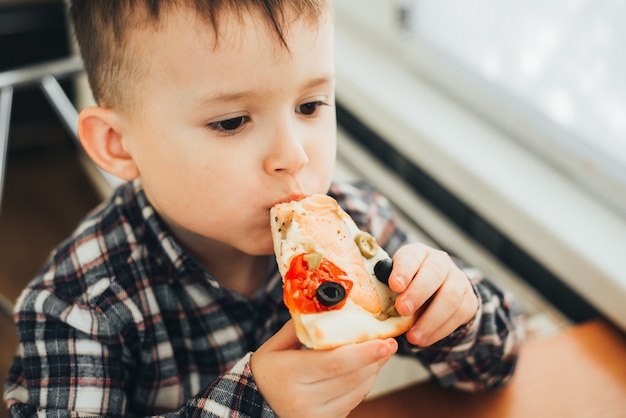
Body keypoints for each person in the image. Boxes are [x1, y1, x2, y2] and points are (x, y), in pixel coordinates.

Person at [4, 0, 524, 416]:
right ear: (119, 144)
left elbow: (496, 364)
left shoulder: (356, 221)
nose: (294, 155)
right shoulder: (77, 307)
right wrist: (254, 405)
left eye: (310, 106)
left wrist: (454, 313)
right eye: (231, 121)